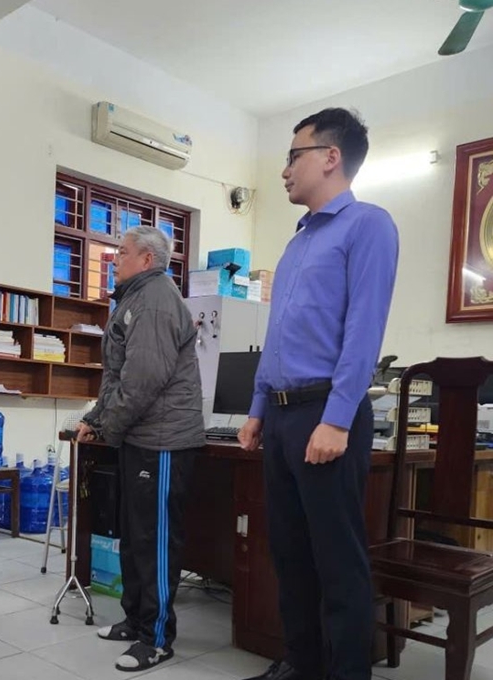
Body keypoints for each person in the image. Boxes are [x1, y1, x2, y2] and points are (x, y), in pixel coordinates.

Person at [238, 108, 399, 680]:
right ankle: (301, 665)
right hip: (283, 418)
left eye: (293, 156)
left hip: (325, 413)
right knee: (289, 555)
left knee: (337, 561)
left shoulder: (368, 225)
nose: (284, 170)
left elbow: (364, 330)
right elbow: (278, 336)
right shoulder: (297, 243)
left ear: (331, 157)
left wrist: (337, 419)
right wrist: (257, 409)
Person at [76, 225, 204, 672]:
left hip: (162, 441)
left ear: (147, 259)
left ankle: (157, 638)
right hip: (140, 437)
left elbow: (142, 380)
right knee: (133, 536)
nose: (115, 259)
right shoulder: (135, 299)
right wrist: (97, 419)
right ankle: (135, 619)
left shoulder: (153, 301)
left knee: (155, 541)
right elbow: (118, 377)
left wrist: (108, 427)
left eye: (122, 252)